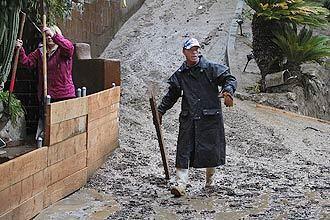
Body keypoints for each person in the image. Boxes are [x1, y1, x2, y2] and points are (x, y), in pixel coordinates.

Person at [157, 38, 237, 197]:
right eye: (191, 50)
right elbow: (172, 95)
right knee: (183, 149)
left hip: (210, 117)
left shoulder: (211, 68)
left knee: (211, 149)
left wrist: (228, 92)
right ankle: (180, 184)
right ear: (184, 52)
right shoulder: (180, 74)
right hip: (189, 118)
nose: (194, 52)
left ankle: (210, 181)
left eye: (196, 49)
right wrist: (160, 110)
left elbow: (229, 78)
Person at [16, 25, 76, 103]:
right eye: (47, 35)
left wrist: (54, 36)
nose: (49, 37)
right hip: (46, 95)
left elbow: (69, 48)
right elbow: (27, 63)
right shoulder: (40, 51)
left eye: (51, 35)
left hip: (64, 95)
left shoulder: (63, 50)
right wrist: (20, 49)